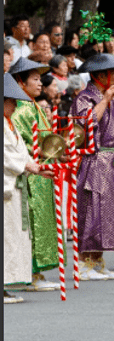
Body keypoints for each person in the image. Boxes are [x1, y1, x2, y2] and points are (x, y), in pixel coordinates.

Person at [71, 52, 114, 279]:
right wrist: (105, 100)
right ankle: (84, 262)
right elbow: (85, 125)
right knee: (93, 211)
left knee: (108, 213)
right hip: (96, 158)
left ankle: (97, 260)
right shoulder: (84, 97)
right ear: (102, 75)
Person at [9, 58, 62, 291]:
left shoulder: (33, 105)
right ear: (20, 82)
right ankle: (30, 272)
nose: (40, 84)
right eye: (35, 79)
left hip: (40, 170)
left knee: (41, 224)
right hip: (29, 173)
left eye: (41, 79)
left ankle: (35, 272)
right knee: (30, 225)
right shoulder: (20, 110)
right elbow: (22, 147)